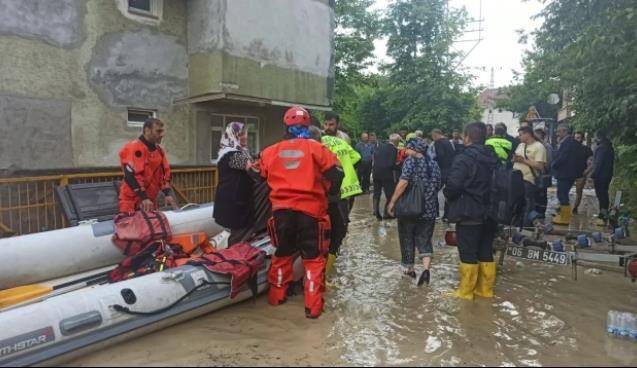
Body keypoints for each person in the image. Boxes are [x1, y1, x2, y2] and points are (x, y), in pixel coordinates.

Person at [258, 106, 343, 319]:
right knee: (313, 260)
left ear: (285, 126)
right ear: (307, 125)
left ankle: (276, 298)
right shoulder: (317, 149)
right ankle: (313, 308)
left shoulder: (270, 151)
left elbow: (258, 175)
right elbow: (337, 175)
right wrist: (326, 189)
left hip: (281, 213)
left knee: (282, 254)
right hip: (311, 212)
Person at [444, 122, 499, 300]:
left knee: (467, 252)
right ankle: (485, 291)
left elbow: (453, 185)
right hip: (491, 213)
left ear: (467, 137)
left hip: (469, 212)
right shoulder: (494, 157)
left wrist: (448, 195)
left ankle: (465, 292)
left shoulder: (464, 158)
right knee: (485, 251)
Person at [387, 139, 441, 286]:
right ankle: (426, 270)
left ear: (414, 149)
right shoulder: (434, 164)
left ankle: (409, 269)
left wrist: (392, 202)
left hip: (410, 209)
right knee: (425, 239)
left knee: (407, 238)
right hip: (429, 211)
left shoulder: (411, 161)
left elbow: (403, 182)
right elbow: (438, 185)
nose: (405, 150)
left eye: (408, 148)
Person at [321, 129, 362, 276]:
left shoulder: (315, 144)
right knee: (339, 233)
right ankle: (327, 272)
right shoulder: (341, 143)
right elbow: (357, 157)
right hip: (342, 194)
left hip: (317, 198)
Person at [118, 118, 177, 213]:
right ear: (147, 130)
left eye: (162, 131)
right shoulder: (134, 148)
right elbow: (131, 175)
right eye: (158, 131)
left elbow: (164, 174)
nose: (161, 134)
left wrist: (167, 194)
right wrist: (143, 197)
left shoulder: (159, 151)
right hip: (132, 201)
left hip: (149, 201)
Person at [213, 122, 256, 245]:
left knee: (238, 234)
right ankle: (233, 260)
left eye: (245, 134)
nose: (245, 137)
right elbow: (251, 167)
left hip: (236, 200)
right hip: (233, 203)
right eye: (241, 134)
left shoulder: (241, 151)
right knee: (237, 236)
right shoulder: (230, 154)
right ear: (232, 135)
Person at [512, 126, 547, 227]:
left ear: (528, 134)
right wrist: (515, 159)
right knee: (517, 205)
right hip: (516, 180)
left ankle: (526, 227)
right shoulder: (520, 145)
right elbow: (517, 159)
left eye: (521, 134)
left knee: (528, 206)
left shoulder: (539, 147)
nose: (519, 137)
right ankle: (516, 226)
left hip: (528, 180)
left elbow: (540, 166)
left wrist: (523, 160)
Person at [552, 124, 582, 225]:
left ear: (565, 131)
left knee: (562, 194)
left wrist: (553, 165)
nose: (557, 134)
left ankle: (565, 218)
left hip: (565, 173)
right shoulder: (574, 143)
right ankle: (564, 216)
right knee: (562, 193)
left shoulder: (567, 143)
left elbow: (562, 158)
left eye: (559, 132)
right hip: (571, 173)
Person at [372, 134, 400, 220]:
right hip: (386, 174)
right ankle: (387, 213)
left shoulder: (379, 146)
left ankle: (376, 212)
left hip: (376, 172)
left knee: (376, 193)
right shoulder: (394, 149)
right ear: (396, 142)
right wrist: (398, 166)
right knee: (390, 194)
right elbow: (390, 164)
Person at [591, 130, 615, 226]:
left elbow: (598, 163)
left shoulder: (601, 148)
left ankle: (603, 215)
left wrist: (593, 175)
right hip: (607, 174)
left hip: (601, 175)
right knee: (604, 194)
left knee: (601, 195)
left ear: (598, 137)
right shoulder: (609, 146)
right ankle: (604, 213)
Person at [431, 129, 455, 218]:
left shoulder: (438, 143)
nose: (432, 139)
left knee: (433, 190)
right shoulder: (448, 142)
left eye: (432, 136)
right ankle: (447, 215)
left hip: (442, 170)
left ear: (436, 135)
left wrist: (433, 160)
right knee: (449, 192)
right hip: (451, 170)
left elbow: (440, 155)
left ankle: (436, 213)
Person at [572, 132, 594, 215]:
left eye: (579, 137)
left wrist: (587, 171)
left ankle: (575, 208)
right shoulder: (571, 148)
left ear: (582, 139)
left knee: (579, 191)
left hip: (581, 174)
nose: (577, 139)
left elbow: (592, 162)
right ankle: (563, 205)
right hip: (570, 173)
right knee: (565, 190)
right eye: (575, 137)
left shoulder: (587, 149)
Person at [535, 128, 553, 219]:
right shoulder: (534, 145)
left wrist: (544, 169)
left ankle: (541, 212)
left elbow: (548, 162)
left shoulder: (547, 147)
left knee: (542, 194)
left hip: (542, 174)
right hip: (534, 174)